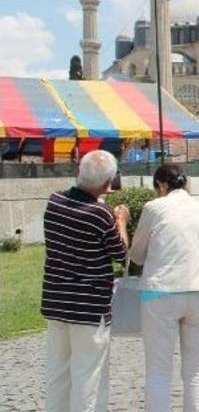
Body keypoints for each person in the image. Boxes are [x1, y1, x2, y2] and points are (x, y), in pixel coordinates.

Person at [41, 150, 129, 412]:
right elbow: (121, 254)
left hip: (56, 300)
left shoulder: (54, 201)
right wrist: (121, 221)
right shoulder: (101, 214)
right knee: (88, 375)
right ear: (107, 184)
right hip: (89, 306)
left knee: (58, 371)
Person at [129, 164, 199, 412]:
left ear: (160, 185)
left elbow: (137, 255)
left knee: (158, 370)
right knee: (196, 369)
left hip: (160, 290)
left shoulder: (154, 208)